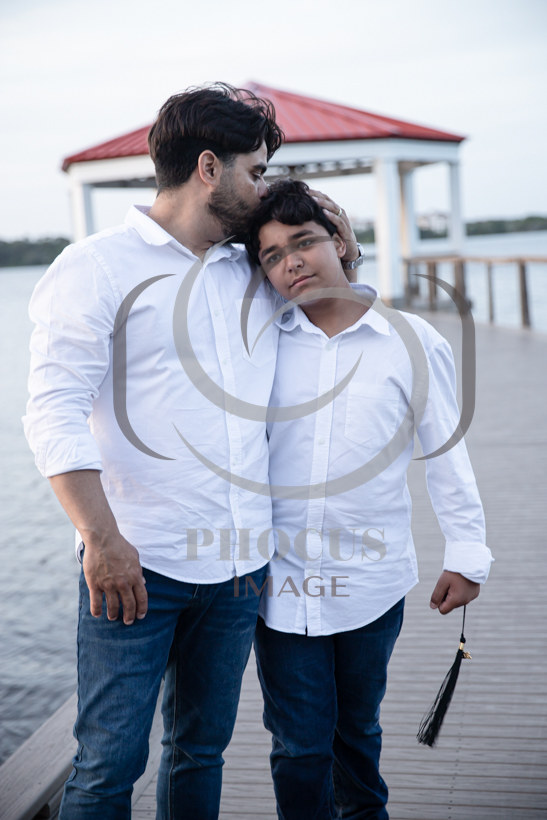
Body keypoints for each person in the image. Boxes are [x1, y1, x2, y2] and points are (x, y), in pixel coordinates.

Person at [23, 86, 360, 819]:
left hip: (240, 565)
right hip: (136, 565)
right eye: (256, 171)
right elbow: (52, 411)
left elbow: (340, 311)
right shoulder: (95, 268)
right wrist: (100, 540)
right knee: (108, 766)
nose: (263, 187)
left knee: (199, 750)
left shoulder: (252, 269)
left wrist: (339, 240)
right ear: (210, 168)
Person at [244, 179, 494, 820]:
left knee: (356, 734)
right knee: (299, 746)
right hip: (281, 582)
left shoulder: (412, 340)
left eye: (304, 242)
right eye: (272, 255)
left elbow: (446, 451)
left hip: (370, 580)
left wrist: (467, 553)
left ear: (341, 243)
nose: (291, 262)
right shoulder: (263, 341)